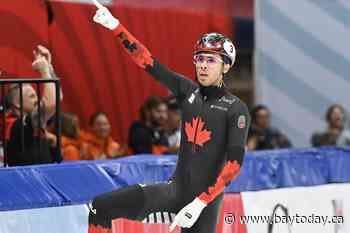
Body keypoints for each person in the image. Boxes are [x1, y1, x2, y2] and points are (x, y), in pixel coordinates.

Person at [88, 2, 250, 233]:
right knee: (100, 207)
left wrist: (200, 202)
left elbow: (234, 165)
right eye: (199, 59)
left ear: (226, 66)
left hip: (204, 205)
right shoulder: (188, 90)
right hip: (174, 192)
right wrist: (115, 26)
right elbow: (148, 62)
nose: (203, 65)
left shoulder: (236, 109)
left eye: (211, 60)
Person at [5, 45, 62, 166]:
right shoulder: (16, 125)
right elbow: (51, 103)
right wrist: (44, 71)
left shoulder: (34, 122)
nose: (37, 99)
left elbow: (57, 97)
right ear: (17, 103)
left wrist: (49, 67)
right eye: (32, 96)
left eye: (36, 95)